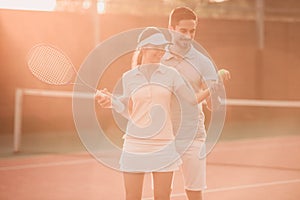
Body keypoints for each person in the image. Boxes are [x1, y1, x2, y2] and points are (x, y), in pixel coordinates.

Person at [96, 27, 201, 200]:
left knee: (162, 197)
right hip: (134, 145)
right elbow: (129, 109)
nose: (160, 52)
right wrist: (110, 101)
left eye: (163, 48)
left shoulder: (171, 74)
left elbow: (191, 99)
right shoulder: (128, 77)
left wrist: (212, 87)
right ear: (143, 48)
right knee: (132, 197)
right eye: (156, 47)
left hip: (164, 145)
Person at [162, 7, 231, 200]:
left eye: (192, 31)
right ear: (171, 28)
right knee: (161, 194)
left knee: (194, 193)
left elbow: (213, 105)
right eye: (183, 31)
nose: (188, 36)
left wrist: (216, 90)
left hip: (193, 136)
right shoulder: (158, 59)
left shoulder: (203, 62)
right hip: (163, 136)